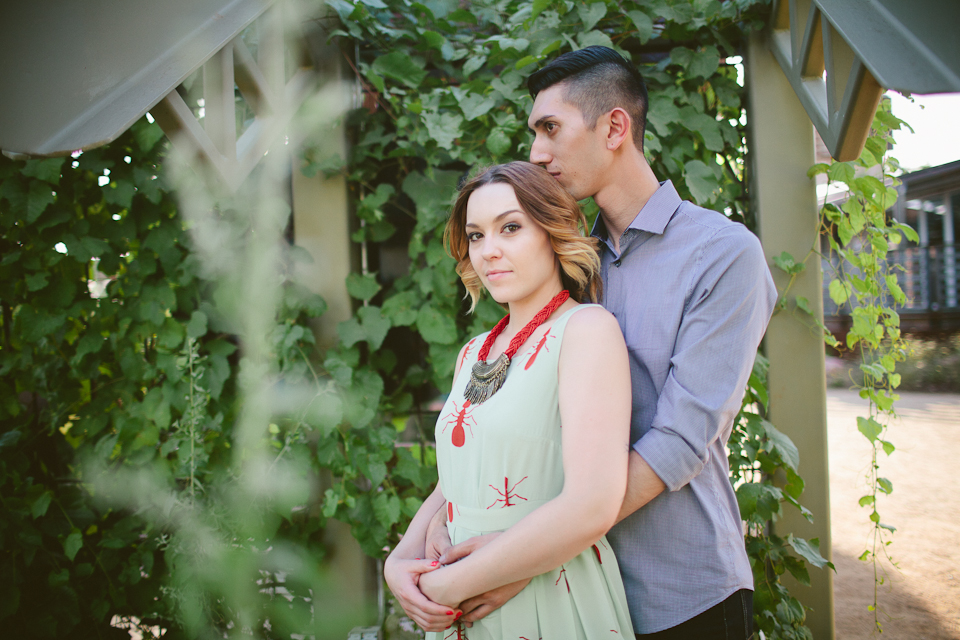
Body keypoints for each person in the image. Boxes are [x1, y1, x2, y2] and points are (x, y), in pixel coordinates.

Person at [390, 47, 778, 639]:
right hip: (560, 594)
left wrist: (524, 556)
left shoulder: (722, 255)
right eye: (532, 133)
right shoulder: (564, 263)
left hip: (678, 588)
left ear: (614, 127)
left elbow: (679, 439)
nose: (536, 152)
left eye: (550, 129)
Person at [383, 161, 635, 638]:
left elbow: (593, 504)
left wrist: (449, 585)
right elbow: (452, 482)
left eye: (511, 228)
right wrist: (399, 562)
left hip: (546, 596)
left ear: (553, 231)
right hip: (458, 604)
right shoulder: (472, 352)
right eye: (476, 236)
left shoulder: (586, 330)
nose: (489, 251)